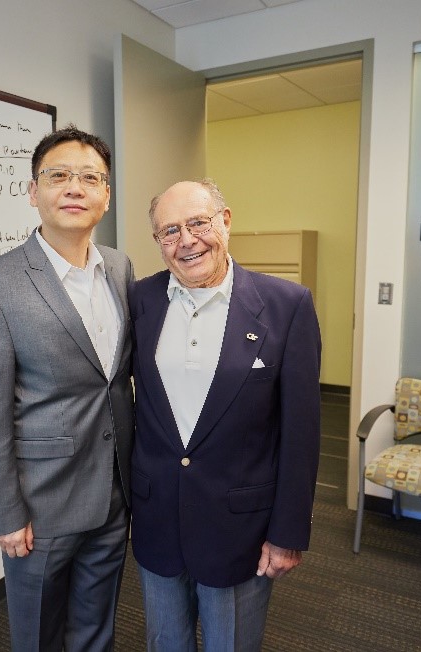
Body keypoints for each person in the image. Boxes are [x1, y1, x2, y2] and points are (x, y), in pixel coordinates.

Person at [0, 125, 135, 651]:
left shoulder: (121, 269)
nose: (74, 188)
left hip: (113, 494)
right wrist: (5, 514)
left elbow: (115, 386)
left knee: (96, 629)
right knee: (38, 635)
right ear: (34, 193)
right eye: (58, 176)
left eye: (90, 178)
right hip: (41, 507)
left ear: (106, 195)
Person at [129, 179, 321, 651]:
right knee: (164, 644)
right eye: (169, 232)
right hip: (158, 518)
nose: (187, 241)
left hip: (241, 525)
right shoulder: (140, 300)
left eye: (198, 223)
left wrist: (288, 531)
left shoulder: (286, 305)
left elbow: (301, 431)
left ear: (226, 222)